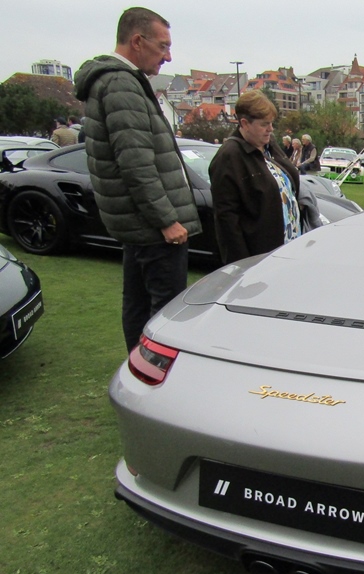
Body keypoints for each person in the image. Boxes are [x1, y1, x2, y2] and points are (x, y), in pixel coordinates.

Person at [74, 6, 201, 352]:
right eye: (163, 46)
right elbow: (136, 163)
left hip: (139, 225)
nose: (168, 57)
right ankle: (153, 374)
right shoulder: (121, 84)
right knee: (164, 311)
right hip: (153, 228)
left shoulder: (116, 81)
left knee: (138, 302)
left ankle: (137, 366)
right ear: (137, 41)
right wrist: (167, 220)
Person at [209, 89, 321, 265]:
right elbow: (227, 221)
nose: (270, 129)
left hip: (290, 248)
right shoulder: (229, 156)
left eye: (271, 123)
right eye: (264, 124)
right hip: (260, 257)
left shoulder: (269, 146)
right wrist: (242, 265)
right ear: (245, 124)